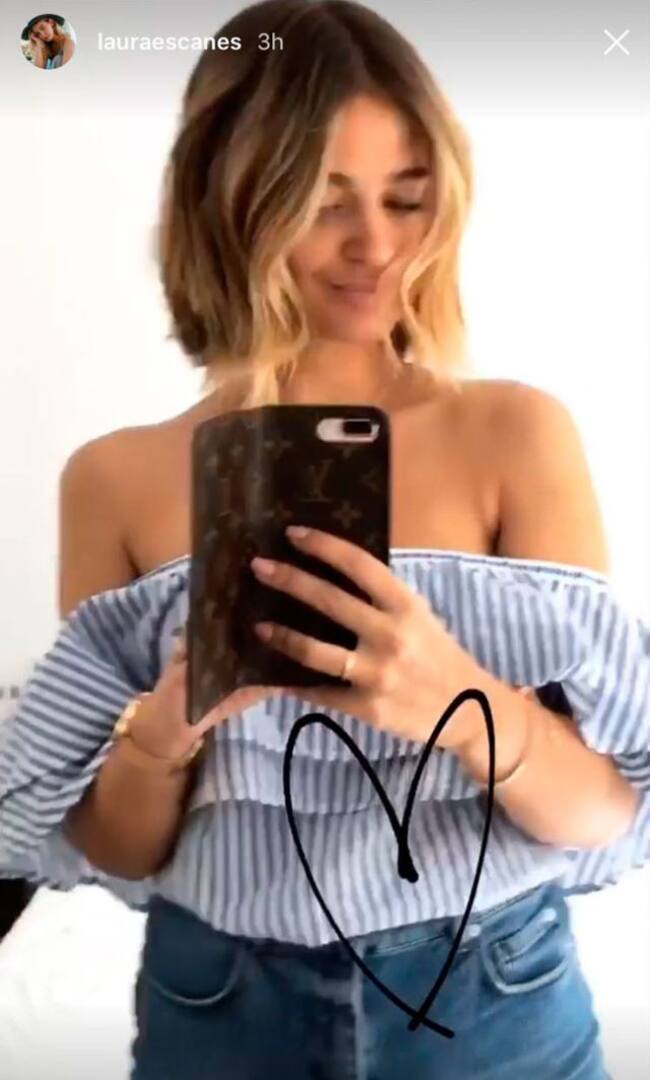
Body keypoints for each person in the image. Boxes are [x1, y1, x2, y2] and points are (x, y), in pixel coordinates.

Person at [2, 2, 649, 1077]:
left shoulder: (514, 434)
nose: (376, 246)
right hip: (219, 999)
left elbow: (604, 810)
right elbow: (122, 848)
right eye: (323, 203)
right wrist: (163, 734)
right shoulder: (112, 480)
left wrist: (455, 702)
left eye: (407, 199)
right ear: (230, 204)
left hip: (492, 997)